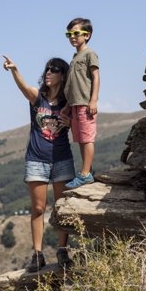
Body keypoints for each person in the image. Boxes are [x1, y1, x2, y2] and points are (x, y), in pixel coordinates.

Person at [2, 55, 74, 272]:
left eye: (54, 70)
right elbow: (24, 88)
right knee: (38, 208)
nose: (49, 73)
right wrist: (15, 70)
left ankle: (62, 251)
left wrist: (71, 122)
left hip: (62, 158)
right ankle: (38, 254)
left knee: (62, 208)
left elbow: (82, 123)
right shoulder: (38, 98)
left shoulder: (68, 103)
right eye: (47, 69)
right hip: (36, 160)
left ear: (63, 75)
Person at [62, 17, 100, 189]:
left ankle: (85, 174)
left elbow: (96, 78)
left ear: (87, 35)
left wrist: (93, 100)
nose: (72, 37)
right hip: (75, 105)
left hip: (85, 104)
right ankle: (87, 170)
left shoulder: (89, 54)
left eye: (76, 33)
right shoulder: (75, 57)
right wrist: (68, 105)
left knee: (87, 138)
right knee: (80, 139)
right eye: (69, 34)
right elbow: (73, 85)